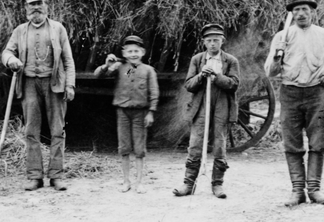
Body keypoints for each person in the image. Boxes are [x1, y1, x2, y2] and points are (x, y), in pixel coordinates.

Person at [265, 0, 324, 206]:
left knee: (317, 142)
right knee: (292, 144)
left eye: (304, 9)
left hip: (317, 94)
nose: (301, 13)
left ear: (312, 11)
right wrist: (277, 57)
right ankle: (297, 191)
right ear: (291, 14)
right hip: (290, 93)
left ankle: (314, 189)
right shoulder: (281, 37)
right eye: (296, 10)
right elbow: (270, 72)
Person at [1, 0, 76, 191]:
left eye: (39, 4)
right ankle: (35, 176)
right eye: (32, 5)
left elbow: (68, 60)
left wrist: (70, 84)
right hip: (29, 85)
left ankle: (56, 176)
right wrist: (11, 60)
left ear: (46, 5)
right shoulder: (20, 31)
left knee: (57, 130)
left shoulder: (58, 29)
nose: (36, 8)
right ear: (26, 8)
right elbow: (6, 52)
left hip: (54, 84)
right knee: (31, 131)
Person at [173, 23, 240, 199]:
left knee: (219, 144)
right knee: (195, 143)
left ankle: (217, 184)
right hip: (201, 105)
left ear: (222, 41)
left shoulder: (231, 61)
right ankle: (188, 184)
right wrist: (201, 75)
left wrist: (217, 77)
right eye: (209, 41)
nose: (212, 44)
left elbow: (234, 84)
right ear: (204, 42)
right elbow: (189, 85)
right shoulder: (197, 60)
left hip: (222, 105)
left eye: (216, 40)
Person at [95, 35, 159, 194]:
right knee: (124, 147)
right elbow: (98, 75)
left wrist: (151, 112)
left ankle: (140, 182)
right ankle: (126, 181)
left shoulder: (148, 70)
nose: (133, 54)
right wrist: (106, 65)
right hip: (122, 112)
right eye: (129, 51)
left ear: (143, 52)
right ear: (124, 53)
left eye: (136, 51)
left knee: (139, 148)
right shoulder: (118, 67)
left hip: (140, 113)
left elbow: (154, 92)